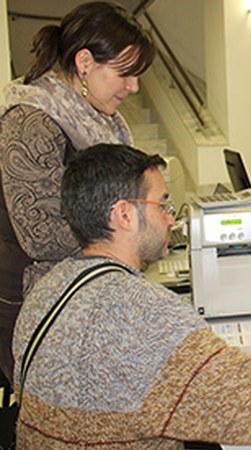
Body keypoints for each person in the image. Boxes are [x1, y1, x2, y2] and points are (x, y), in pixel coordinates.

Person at [12, 143, 251, 448]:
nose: (171, 218)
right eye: (162, 205)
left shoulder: (48, 288)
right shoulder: (141, 313)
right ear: (124, 215)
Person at [0, 0, 154, 424]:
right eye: (125, 73)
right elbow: (40, 234)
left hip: (83, 294)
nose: (134, 87)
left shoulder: (101, 121)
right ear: (85, 63)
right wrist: (131, 230)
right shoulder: (32, 119)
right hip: (40, 302)